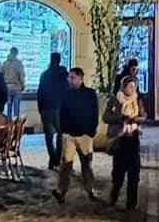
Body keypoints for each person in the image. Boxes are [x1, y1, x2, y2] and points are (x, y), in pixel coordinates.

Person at [52, 67, 100, 205]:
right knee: (65, 165)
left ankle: (90, 189)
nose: (70, 80)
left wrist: (91, 131)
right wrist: (64, 130)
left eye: (72, 77)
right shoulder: (66, 94)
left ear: (81, 78)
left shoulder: (90, 94)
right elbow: (62, 113)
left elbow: (94, 113)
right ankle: (61, 191)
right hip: (70, 136)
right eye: (69, 77)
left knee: (87, 164)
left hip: (85, 135)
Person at [105, 78, 146, 209]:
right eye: (129, 87)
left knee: (134, 173)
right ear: (123, 87)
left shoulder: (137, 99)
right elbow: (106, 117)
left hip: (133, 138)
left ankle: (131, 203)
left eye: (134, 87)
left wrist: (136, 119)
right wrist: (120, 117)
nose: (132, 90)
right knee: (118, 172)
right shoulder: (116, 100)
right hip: (119, 139)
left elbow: (144, 116)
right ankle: (114, 197)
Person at [37, 51, 69, 170]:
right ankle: (57, 159)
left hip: (46, 108)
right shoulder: (64, 74)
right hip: (59, 108)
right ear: (59, 60)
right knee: (61, 134)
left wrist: (40, 108)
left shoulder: (45, 74)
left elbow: (40, 92)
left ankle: (52, 157)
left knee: (48, 136)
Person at [2, 47, 26, 120]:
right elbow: (21, 75)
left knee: (8, 108)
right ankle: (16, 127)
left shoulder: (4, 63)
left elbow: (1, 75)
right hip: (16, 87)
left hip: (7, 87)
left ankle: (8, 126)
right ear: (16, 53)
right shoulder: (18, 63)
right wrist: (23, 85)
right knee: (16, 109)